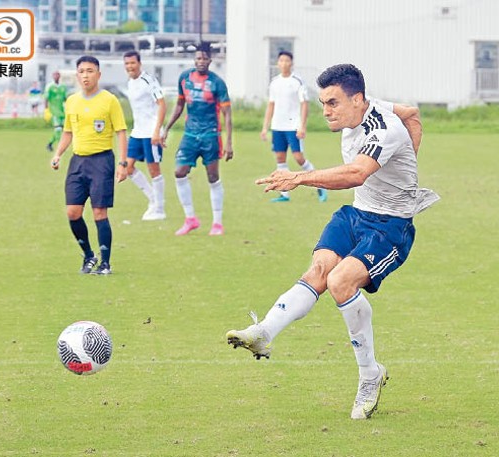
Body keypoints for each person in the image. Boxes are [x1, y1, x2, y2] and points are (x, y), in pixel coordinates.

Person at [226, 64, 439, 420]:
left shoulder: (382, 128)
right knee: (320, 270)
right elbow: (413, 113)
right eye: (323, 102)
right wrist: (410, 161)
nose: (326, 111)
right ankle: (264, 332)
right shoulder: (372, 107)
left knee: (341, 281)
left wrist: (300, 178)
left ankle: (370, 375)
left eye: (333, 103)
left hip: (390, 227)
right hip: (356, 214)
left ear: (357, 99)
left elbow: (356, 173)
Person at [50, 55, 128, 275]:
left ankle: (105, 263)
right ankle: (89, 256)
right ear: (77, 75)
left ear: (98, 74)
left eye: (90, 71)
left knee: (99, 213)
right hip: (78, 161)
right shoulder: (72, 101)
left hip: (102, 161)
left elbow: (121, 131)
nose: (86, 75)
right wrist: (58, 154)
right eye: (82, 71)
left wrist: (123, 163)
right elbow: (68, 131)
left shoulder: (109, 100)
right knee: (73, 212)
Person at [162, 42, 233, 236]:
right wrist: (166, 128)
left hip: (211, 135)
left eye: (204, 58)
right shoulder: (185, 78)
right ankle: (190, 219)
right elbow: (179, 105)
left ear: (210, 60)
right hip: (190, 135)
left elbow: (227, 113)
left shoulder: (217, 82)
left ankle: (217, 223)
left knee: (213, 177)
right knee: (179, 172)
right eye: (198, 58)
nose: (201, 61)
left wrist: (228, 142)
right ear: (194, 60)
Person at [261, 51, 327, 203]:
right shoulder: (274, 82)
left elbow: (305, 104)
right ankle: (284, 194)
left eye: (286, 60)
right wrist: (265, 127)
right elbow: (271, 105)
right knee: (280, 158)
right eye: (281, 60)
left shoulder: (297, 81)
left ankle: (320, 185)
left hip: (293, 126)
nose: (283, 63)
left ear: (291, 63)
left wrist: (302, 126)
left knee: (298, 158)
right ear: (277, 63)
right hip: (277, 126)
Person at [123, 50, 167, 221]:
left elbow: (162, 105)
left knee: (153, 169)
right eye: (127, 64)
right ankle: (153, 200)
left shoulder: (149, 80)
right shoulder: (130, 83)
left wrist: (157, 131)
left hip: (151, 132)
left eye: (132, 63)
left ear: (139, 63)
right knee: (128, 167)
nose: (130, 67)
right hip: (137, 132)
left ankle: (160, 209)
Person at [44, 71, 68, 152]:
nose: (56, 76)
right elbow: (46, 99)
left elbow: (65, 98)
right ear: (52, 76)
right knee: (58, 129)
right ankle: (60, 147)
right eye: (54, 75)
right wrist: (46, 110)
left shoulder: (63, 86)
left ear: (59, 76)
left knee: (62, 129)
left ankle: (49, 144)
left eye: (57, 75)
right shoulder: (49, 86)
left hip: (62, 111)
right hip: (54, 111)